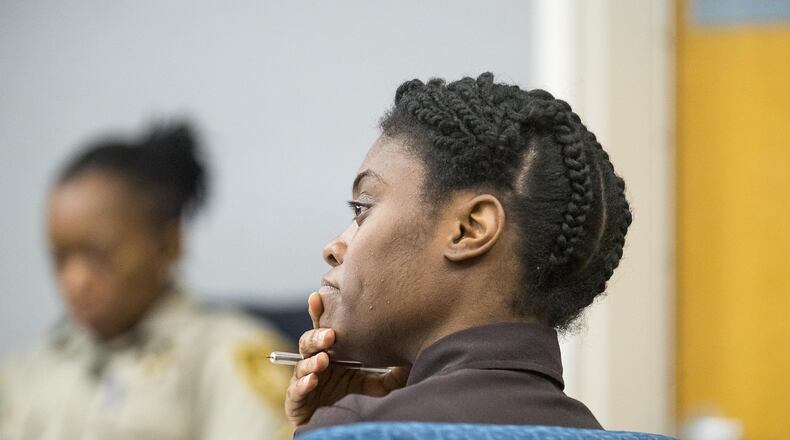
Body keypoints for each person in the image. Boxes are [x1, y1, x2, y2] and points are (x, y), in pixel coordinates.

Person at [286, 73, 633, 435]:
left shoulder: (362, 428)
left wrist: (327, 428)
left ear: (470, 229)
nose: (333, 248)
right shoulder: (594, 430)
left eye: (363, 208)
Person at [0, 123, 293, 440]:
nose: (75, 280)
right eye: (60, 258)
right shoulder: (33, 366)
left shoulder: (225, 357)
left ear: (169, 245)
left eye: (99, 255)